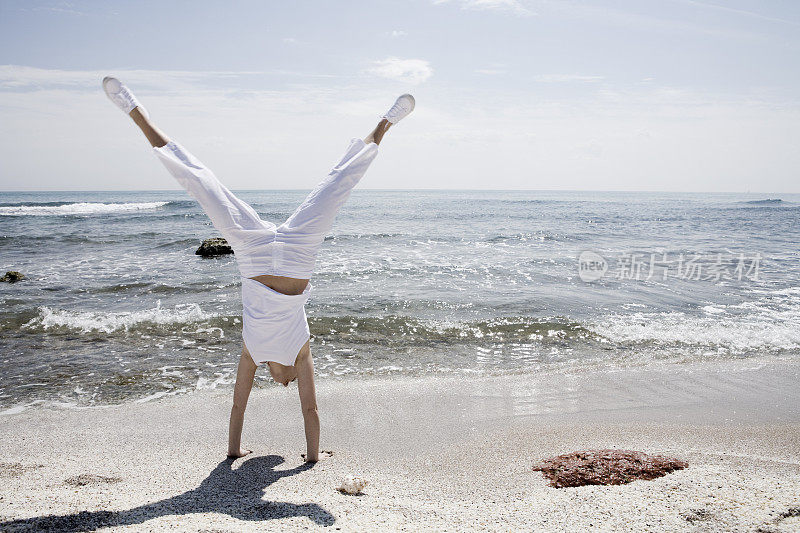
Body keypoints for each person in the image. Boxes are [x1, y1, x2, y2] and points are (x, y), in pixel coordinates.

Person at [102, 76, 415, 462]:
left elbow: (245, 409)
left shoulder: (255, 354)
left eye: (283, 383)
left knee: (202, 184)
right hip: (298, 249)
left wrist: (236, 453)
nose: (282, 385)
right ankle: (385, 122)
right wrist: (311, 458)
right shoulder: (298, 355)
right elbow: (309, 411)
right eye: (289, 384)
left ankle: (135, 111)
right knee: (337, 183)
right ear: (292, 379)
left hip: (253, 250)